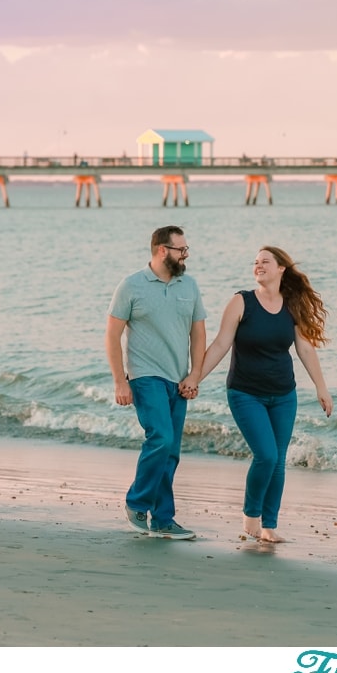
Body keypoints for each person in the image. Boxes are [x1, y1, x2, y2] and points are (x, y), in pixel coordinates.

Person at [197, 246, 333, 543]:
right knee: (266, 455)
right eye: (255, 262)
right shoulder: (241, 302)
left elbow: (305, 348)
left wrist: (322, 388)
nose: (258, 266)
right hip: (245, 393)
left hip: (284, 394)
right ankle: (251, 515)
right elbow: (221, 345)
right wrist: (195, 378)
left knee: (278, 460)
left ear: (281, 268)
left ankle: (269, 525)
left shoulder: (292, 304)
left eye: (265, 262)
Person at [106, 225, 206, 539]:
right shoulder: (131, 285)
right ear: (162, 250)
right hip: (145, 376)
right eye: (181, 249)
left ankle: (163, 519)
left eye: (186, 249)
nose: (186, 254)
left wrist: (195, 374)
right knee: (161, 437)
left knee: (171, 451)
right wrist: (120, 381)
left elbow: (198, 334)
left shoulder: (189, 286)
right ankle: (137, 501)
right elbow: (112, 335)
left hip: (178, 380)